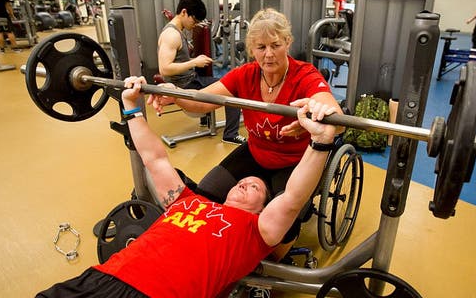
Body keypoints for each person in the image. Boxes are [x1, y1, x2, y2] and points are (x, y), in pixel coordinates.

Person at [36, 76, 338, 298]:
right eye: (244, 181)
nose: (244, 183)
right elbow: (154, 159)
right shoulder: (186, 200)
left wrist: (321, 142)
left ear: (262, 208)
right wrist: (131, 107)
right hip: (103, 277)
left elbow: (294, 198)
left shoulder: (256, 231)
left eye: (255, 188)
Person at [150, 8, 342, 240]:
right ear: (252, 49)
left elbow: (336, 119)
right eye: (261, 47)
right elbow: (201, 103)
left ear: (288, 43)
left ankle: (271, 267)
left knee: (287, 225)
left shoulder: (304, 75)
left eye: (275, 45)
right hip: (256, 152)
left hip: (293, 161)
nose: (269, 54)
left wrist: (321, 112)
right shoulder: (245, 74)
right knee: (205, 195)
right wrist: (176, 94)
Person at [158, 0, 245, 145]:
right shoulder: (171, 35)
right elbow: (164, 69)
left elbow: (177, 61)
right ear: (184, 12)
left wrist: (194, 61)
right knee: (232, 89)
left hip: (191, 79)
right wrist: (194, 63)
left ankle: (206, 118)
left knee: (225, 82)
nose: (195, 24)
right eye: (194, 20)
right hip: (185, 85)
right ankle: (230, 134)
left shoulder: (178, 30)